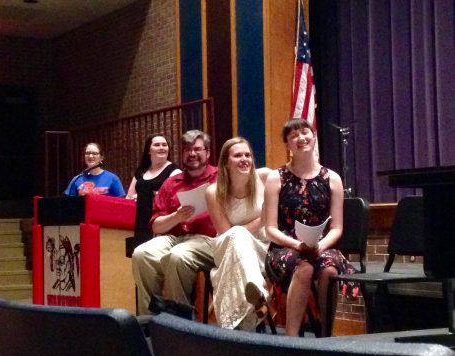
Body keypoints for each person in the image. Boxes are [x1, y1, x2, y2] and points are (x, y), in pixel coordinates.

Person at [264, 118, 356, 336]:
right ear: (287, 145)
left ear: (313, 137)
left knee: (329, 270)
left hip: (321, 245)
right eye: (293, 136)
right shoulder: (276, 178)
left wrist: (321, 246)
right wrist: (298, 245)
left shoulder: (332, 178)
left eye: (305, 133)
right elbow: (270, 228)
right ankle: (292, 338)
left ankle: (325, 336)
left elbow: (337, 228)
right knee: (304, 268)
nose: (301, 138)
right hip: (285, 246)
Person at [132, 130, 217, 316]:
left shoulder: (220, 178)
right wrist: (176, 217)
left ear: (208, 153)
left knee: (177, 257)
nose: (192, 153)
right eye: (187, 149)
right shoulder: (171, 183)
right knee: (141, 254)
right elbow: (156, 225)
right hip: (174, 237)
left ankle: (179, 322)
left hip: (208, 240)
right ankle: (150, 319)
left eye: (197, 149)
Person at [205, 137, 271, 330]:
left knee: (238, 234)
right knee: (237, 235)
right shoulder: (213, 192)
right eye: (237, 155)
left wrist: (251, 227)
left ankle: (238, 327)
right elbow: (227, 233)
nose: (244, 159)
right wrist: (259, 222)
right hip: (229, 248)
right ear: (225, 162)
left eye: (247, 155)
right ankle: (258, 293)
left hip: (262, 246)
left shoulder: (266, 177)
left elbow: (274, 217)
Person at [126, 134, 181, 245]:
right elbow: (129, 197)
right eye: (157, 145)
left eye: (164, 145)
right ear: (149, 150)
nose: (161, 147)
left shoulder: (175, 171)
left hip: (161, 225)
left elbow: (173, 201)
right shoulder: (140, 172)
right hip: (140, 223)